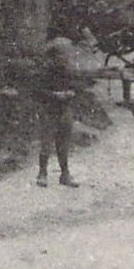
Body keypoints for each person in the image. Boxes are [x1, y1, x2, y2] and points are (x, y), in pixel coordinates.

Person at [33, 35, 82, 187]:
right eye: (63, 54)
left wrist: (71, 92)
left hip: (64, 107)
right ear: (54, 56)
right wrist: (55, 95)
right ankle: (42, 173)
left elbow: (77, 86)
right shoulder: (44, 72)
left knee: (64, 141)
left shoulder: (68, 71)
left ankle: (65, 174)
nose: (67, 57)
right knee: (46, 141)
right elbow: (37, 91)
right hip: (49, 108)